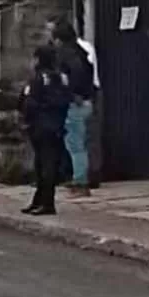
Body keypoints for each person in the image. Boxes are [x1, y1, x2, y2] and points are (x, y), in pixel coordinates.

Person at [21, 45, 72, 216]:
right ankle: (39, 200)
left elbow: (27, 102)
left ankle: (47, 203)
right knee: (45, 163)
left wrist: (27, 120)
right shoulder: (62, 77)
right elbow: (67, 100)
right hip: (57, 125)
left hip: (40, 126)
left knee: (45, 165)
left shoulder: (37, 79)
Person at [52, 20, 96, 198]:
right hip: (86, 101)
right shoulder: (81, 51)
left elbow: (70, 76)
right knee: (78, 143)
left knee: (75, 145)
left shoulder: (66, 54)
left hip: (75, 103)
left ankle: (80, 182)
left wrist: (72, 93)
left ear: (59, 39)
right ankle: (78, 178)